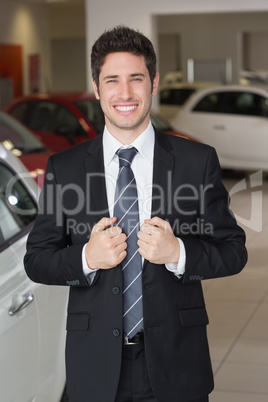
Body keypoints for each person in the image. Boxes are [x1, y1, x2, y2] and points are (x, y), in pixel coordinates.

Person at [24, 25, 247, 402]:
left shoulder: (196, 161)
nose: (125, 93)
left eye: (136, 79)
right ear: (96, 88)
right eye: (112, 80)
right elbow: (37, 260)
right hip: (95, 363)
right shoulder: (66, 167)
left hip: (177, 361)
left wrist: (179, 253)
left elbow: (234, 250)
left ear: (154, 83)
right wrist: (86, 258)